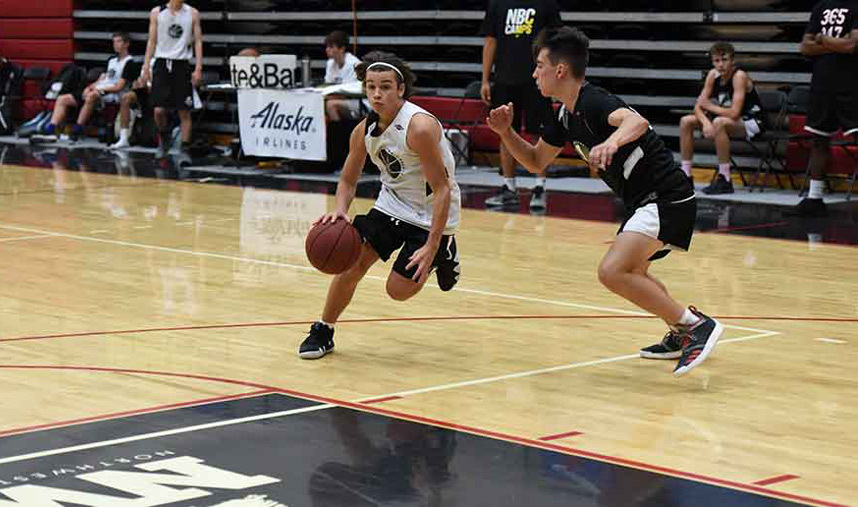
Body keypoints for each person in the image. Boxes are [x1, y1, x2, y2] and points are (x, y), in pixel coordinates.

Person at [486, 26, 723, 376]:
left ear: (560, 70)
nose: (534, 73)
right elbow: (536, 161)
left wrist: (612, 142)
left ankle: (695, 326)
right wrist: (505, 133)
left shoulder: (593, 100)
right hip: (644, 201)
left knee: (611, 271)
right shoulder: (565, 115)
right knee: (634, 272)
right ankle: (681, 330)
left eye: (539, 66)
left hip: (666, 196)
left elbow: (636, 121)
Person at [299, 51, 461, 359]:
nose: (377, 93)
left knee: (397, 291)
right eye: (371, 86)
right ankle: (324, 329)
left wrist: (432, 244)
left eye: (385, 86)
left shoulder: (419, 127)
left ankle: (445, 251)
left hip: (431, 212)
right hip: (392, 205)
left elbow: (442, 190)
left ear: (400, 89)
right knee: (353, 262)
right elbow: (347, 180)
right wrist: (341, 211)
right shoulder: (363, 131)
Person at [480, 0, 561, 211]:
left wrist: (553, 78)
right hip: (505, 79)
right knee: (505, 132)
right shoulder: (497, 4)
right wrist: (485, 80)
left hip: (537, 79)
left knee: (539, 134)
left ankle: (539, 188)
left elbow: (555, 44)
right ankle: (508, 187)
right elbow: (490, 41)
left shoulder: (547, 4)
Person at [795, 0, 858, 216]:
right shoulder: (820, 6)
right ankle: (815, 198)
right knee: (819, 140)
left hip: (851, 82)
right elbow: (804, 47)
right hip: (822, 82)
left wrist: (821, 40)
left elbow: (852, 46)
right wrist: (835, 44)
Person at [678, 42, 764, 194]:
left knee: (719, 122)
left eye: (724, 60)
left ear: (733, 61)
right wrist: (705, 123)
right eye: (716, 61)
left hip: (752, 121)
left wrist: (709, 108)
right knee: (686, 121)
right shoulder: (712, 75)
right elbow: (698, 107)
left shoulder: (739, 76)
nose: (720, 64)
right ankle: (686, 175)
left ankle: (725, 178)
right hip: (725, 120)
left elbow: (734, 113)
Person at [41, 32, 133, 141]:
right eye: (114, 42)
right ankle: (52, 128)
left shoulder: (130, 63)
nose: (115, 45)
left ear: (126, 44)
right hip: (99, 90)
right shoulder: (111, 60)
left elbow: (119, 86)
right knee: (63, 99)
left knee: (92, 95)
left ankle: (78, 128)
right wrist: (89, 87)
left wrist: (97, 89)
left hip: (113, 93)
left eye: (119, 41)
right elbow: (102, 79)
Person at [142, 0, 203, 158]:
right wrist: (146, 66)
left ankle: (184, 148)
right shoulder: (157, 12)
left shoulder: (192, 13)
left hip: (182, 65)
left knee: (184, 110)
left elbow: (198, 41)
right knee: (158, 110)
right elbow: (151, 41)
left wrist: (198, 68)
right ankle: (164, 137)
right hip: (162, 63)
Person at [109, 60, 151, 149]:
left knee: (148, 141)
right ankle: (123, 138)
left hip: (158, 92)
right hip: (143, 91)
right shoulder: (142, 63)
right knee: (126, 97)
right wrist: (137, 84)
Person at [323, 30, 362, 122]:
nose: (327, 49)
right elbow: (327, 87)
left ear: (342, 49)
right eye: (327, 47)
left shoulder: (354, 64)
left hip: (358, 101)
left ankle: (340, 133)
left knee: (330, 105)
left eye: (331, 47)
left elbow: (348, 94)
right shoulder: (330, 64)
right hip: (339, 98)